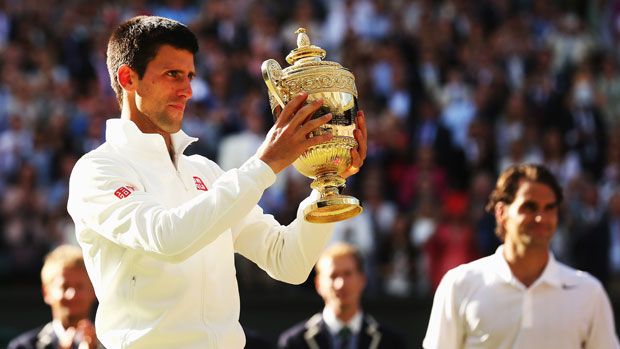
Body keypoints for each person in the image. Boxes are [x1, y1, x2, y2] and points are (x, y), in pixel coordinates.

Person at [66, 16, 367, 349]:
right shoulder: (97, 171)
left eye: (190, 76)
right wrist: (264, 165)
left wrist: (328, 179)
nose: (187, 91)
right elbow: (168, 238)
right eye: (172, 75)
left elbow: (288, 261)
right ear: (128, 78)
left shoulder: (206, 172)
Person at [423, 164, 620, 349]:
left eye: (549, 208)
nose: (541, 218)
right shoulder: (459, 284)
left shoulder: (589, 292)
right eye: (530, 207)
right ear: (501, 212)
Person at [277, 242, 406, 349]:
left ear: (362, 280)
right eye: (333, 276)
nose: (341, 284)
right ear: (318, 284)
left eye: (348, 274)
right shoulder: (294, 343)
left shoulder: (391, 342)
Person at [8, 245, 100, 349]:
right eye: (64, 287)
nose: (72, 294)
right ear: (46, 292)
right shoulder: (23, 346)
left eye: (80, 286)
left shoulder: (113, 343)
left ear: (94, 291)